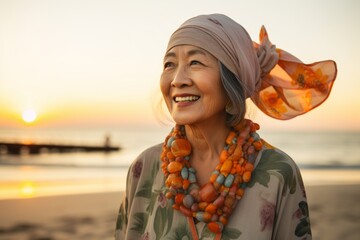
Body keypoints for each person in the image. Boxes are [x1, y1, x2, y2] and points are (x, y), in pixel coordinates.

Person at [115, 14, 337, 240]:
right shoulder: (144, 168)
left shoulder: (279, 173)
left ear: (233, 79)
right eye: (169, 64)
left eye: (195, 62)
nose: (177, 79)